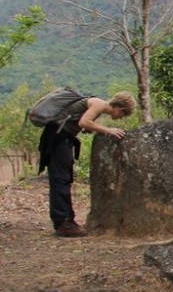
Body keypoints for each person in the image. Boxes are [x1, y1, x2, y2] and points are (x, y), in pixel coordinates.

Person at [38, 92, 136, 237]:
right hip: (57, 138)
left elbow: (81, 122)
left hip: (61, 138)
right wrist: (108, 130)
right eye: (123, 114)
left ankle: (67, 220)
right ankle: (63, 223)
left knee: (64, 179)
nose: (120, 118)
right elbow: (84, 122)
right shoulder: (99, 104)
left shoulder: (97, 105)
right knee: (61, 180)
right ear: (119, 109)